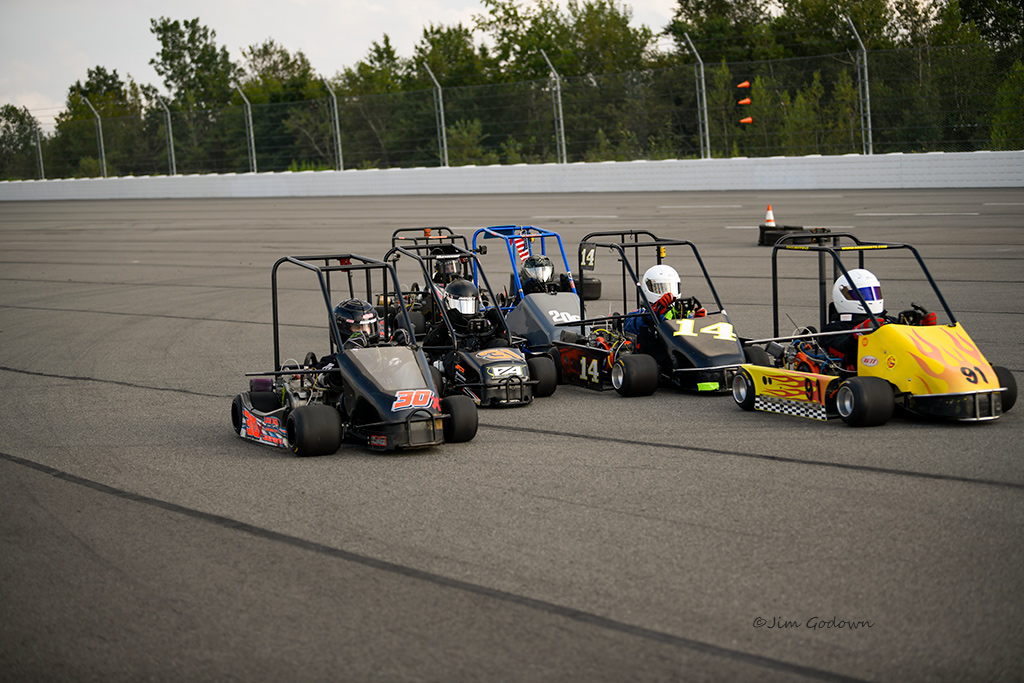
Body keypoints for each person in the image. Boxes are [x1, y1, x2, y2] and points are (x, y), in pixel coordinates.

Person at [821, 268, 936, 370]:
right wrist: (859, 333)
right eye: (863, 295)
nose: (870, 299)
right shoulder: (834, 328)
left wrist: (923, 328)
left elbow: (909, 342)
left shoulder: (887, 320)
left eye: (873, 293)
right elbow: (841, 349)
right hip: (867, 375)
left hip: (902, 368)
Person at [623, 264, 706, 340]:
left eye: (670, 287)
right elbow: (629, 326)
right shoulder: (639, 314)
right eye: (660, 288)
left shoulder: (679, 311)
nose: (667, 294)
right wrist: (653, 313)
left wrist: (697, 321)